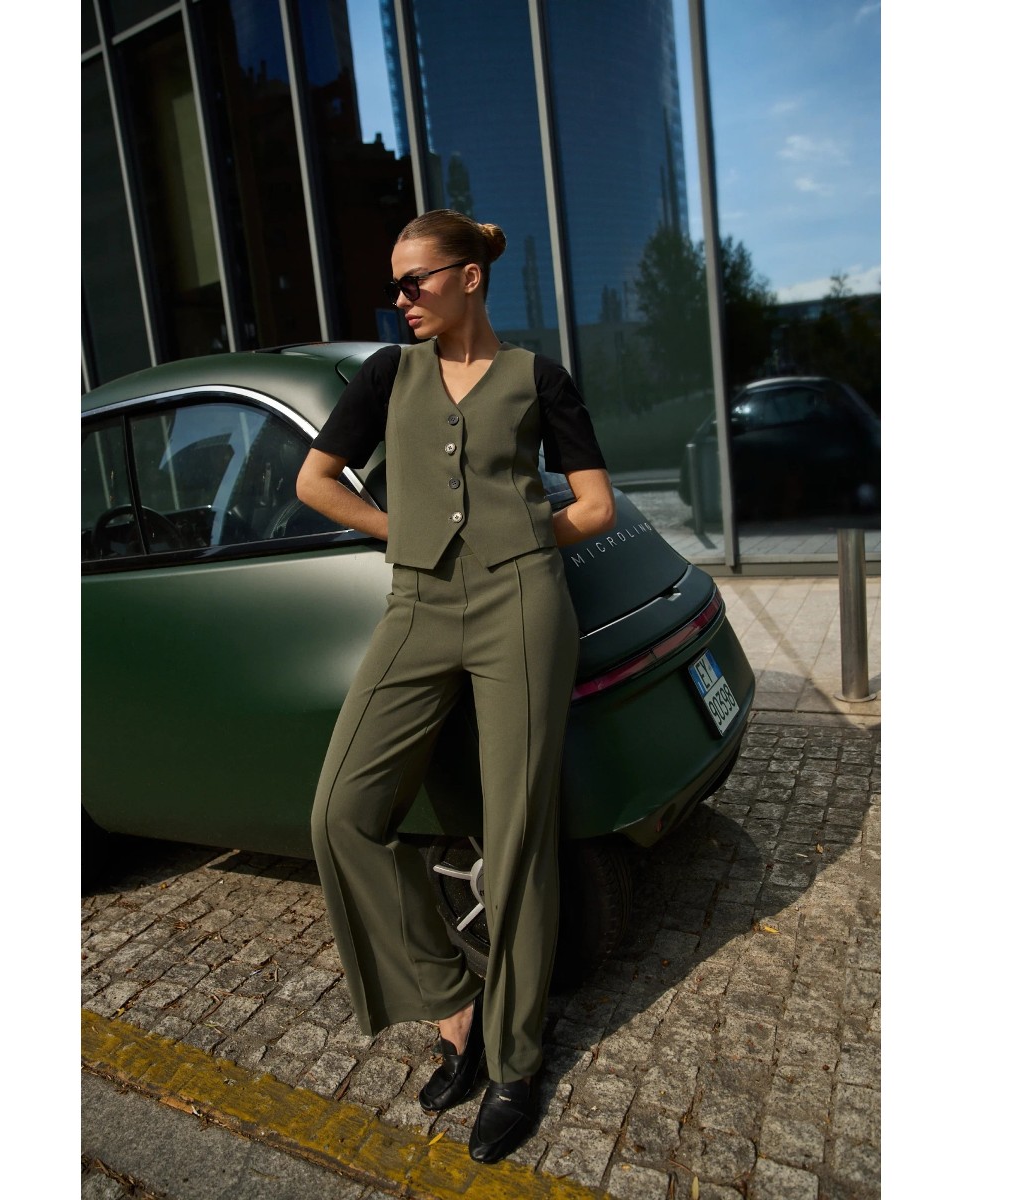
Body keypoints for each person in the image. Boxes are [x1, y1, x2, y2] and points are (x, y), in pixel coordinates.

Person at [296, 209, 615, 1164]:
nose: (401, 299)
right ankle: (452, 1002)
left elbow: (594, 505)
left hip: (523, 604)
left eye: (415, 281)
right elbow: (316, 481)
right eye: (394, 286)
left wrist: (520, 546)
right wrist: (403, 533)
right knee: (340, 813)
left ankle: (516, 1060)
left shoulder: (539, 378)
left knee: (517, 838)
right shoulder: (386, 376)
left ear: (469, 277)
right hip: (417, 603)